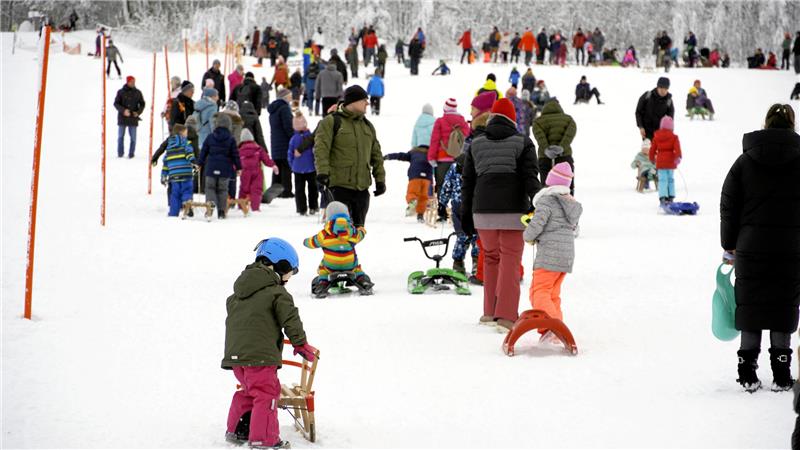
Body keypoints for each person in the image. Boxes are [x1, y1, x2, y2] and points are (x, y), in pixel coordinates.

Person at [720, 104, 800, 393]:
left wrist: (729, 244)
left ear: (766, 124)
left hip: (750, 246)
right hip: (791, 249)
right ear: (791, 125)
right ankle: (781, 374)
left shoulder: (744, 162)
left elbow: (728, 205)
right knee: (783, 306)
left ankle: (747, 372)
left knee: (751, 307)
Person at [222, 237, 315, 449]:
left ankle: (237, 431)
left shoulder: (238, 294)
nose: (289, 278)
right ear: (279, 264)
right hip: (260, 358)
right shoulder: (276, 292)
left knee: (248, 391)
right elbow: (290, 318)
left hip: (237, 359)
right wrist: (300, 343)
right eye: (290, 271)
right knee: (266, 393)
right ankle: (264, 439)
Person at [461, 97, 540, 331]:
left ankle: (489, 312)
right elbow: (530, 179)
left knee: (492, 258)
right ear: (513, 120)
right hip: (513, 213)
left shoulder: (476, 143)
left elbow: (468, 183)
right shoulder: (523, 142)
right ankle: (505, 316)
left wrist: (466, 215)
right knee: (510, 261)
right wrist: (537, 206)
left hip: (482, 213)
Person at [522, 161, 582, 341]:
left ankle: (552, 328)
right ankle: (555, 330)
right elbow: (574, 229)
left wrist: (528, 234)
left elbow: (537, 224)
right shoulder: (571, 204)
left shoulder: (546, 201)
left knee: (538, 292)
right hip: (566, 256)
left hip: (549, 255)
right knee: (552, 294)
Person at [314, 85, 386, 227]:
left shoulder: (367, 126)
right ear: (353, 101)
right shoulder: (331, 122)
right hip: (338, 188)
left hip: (361, 190)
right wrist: (322, 172)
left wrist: (380, 179)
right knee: (339, 234)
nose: (367, 103)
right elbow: (321, 149)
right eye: (364, 100)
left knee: (357, 233)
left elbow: (376, 155)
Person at [304, 201, 374, 296]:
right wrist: (362, 230)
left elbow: (312, 242)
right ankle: (363, 281)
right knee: (357, 270)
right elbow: (360, 235)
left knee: (323, 269)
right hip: (349, 266)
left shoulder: (324, 234)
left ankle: (322, 284)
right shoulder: (352, 231)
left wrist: (305, 242)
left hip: (331, 267)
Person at [438, 153, 479, 277]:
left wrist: (442, 203)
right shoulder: (479, 164)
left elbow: (447, 186)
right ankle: (476, 263)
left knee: (462, 235)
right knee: (478, 236)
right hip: (475, 205)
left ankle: (458, 262)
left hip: (459, 205)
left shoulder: (455, 166)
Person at [198, 113, 241, 219]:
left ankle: (210, 206)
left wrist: (200, 163)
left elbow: (204, 151)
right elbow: (235, 154)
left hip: (211, 167)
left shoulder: (210, 137)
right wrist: (239, 167)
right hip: (225, 169)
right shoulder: (231, 139)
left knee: (210, 188)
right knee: (223, 190)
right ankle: (221, 211)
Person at [533, 100, 577, 195]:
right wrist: (562, 147)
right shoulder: (568, 119)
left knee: (546, 187)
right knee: (567, 186)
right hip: (564, 157)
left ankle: (547, 207)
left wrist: (546, 149)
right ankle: (568, 206)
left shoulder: (538, 121)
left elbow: (539, 136)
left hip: (545, 158)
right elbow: (570, 133)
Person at [428, 98, 469, 196]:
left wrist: (431, 158)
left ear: (445, 109)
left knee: (441, 186)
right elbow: (466, 139)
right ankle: (457, 209)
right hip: (459, 159)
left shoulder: (440, 121)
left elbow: (435, 141)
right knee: (458, 186)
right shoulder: (463, 122)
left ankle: (442, 208)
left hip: (442, 160)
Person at [384, 145, 432, 222]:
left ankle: (412, 201)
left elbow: (400, 156)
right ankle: (420, 215)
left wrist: (389, 156)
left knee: (412, 192)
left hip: (415, 176)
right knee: (423, 197)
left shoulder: (413, 152)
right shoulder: (430, 153)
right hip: (427, 178)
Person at [159, 124, 196, 217]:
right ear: (182, 133)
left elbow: (166, 163)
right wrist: (193, 162)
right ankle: (187, 206)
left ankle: (173, 213)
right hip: (186, 173)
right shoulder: (185, 143)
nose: (187, 135)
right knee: (187, 190)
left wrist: (163, 176)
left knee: (175, 195)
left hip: (174, 176)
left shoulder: (169, 147)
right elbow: (189, 154)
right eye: (186, 133)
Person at [238, 128, 277, 213]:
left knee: (243, 189)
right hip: (257, 173)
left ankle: (241, 206)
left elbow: (235, 163)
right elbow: (266, 159)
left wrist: (234, 170)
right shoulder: (258, 149)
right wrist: (273, 165)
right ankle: (255, 208)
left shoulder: (239, 151)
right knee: (256, 190)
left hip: (245, 173)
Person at [287, 113, 318, 215]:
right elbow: (290, 153)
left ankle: (313, 206)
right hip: (299, 169)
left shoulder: (310, 137)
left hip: (310, 168)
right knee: (300, 190)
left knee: (312, 189)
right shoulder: (294, 139)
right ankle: (302, 208)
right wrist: (292, 165)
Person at [268, 88, 295, 198]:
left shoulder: (273, 109)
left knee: (277, 166)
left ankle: (275, 191)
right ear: (285, 97)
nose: (291, 98)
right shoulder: (284, 108)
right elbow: (288, 126)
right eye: (290, 95)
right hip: (284, 142)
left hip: (275, 141)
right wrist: (293, 138)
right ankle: (286, 191)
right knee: (285, 167)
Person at [648, 116, 681, 205]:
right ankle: (671, 196)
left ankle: (663, 197)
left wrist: (651, 158)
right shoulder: (674, 137)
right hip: (670, 161)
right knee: (670, 179)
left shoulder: (657, 136)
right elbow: (677, 148)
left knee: (662, 179)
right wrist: (678, 157)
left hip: (661, 161)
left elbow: (652, 149)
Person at [113, 76, 145, 158]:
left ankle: (131, 153)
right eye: (131, 81)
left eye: (134, 81)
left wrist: (138, 112)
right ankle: (120, 153)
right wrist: (123, 111)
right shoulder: (120, 92)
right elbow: (116, 103)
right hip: (122, 118)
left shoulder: (138, 92)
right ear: (127, 82)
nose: (133, 83)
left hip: (133, 118)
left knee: (133, 138)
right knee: (120, 137)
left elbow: (142, 104)